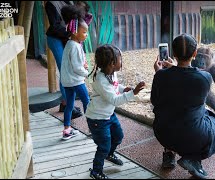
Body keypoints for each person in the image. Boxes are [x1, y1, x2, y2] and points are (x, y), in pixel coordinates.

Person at [151, 33, 215, 179]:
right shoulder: (205, 77)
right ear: (194, 54)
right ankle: (193, 158)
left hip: (163, 133)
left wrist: (160, 73)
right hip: (193, 136)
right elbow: (187, 86)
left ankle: (169, 155)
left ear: (173, 54)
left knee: (172, 112)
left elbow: (156, 102)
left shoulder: (161, 75)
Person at [85, 44, 146, 179]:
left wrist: (124, 89)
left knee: (118, 136)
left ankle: (109, 154)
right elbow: (114, 100)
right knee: (104, 145)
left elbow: (115, 87)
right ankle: (96, 171)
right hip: (97, 119)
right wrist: (133, 93)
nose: (122, 62)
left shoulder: (112, 74)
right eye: (120, 59)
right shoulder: (100, 80)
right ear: (112, 63)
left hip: (108, 115)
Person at [45, 1, 83, 118]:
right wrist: (71, 34)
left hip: (66, 38)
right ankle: (68, 106)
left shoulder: (70, 2)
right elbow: (55, 26)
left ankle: (64, 103)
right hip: (55, 39)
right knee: (65, 69)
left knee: (69, 69)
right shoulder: (51, 4)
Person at [60, 5, 90, 140]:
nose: (86, 35)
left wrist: (82, 65)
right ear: (74, 31)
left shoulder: (69, 44)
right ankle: (93, 127)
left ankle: (67, 130)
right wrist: (87, 74)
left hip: (67, 81)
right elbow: (77, 68)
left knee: (70, 105)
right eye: (84, 32)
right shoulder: (76, 46)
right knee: (87, 103)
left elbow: (72, 63)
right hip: (77, 81)